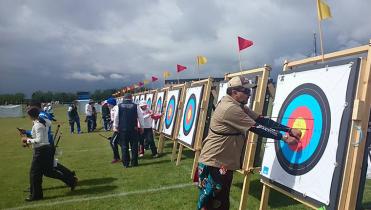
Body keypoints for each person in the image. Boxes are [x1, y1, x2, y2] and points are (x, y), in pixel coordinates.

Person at [197, 76, 302, 210]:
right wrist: (285, 138)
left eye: (249, 91)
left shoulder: (236, 104)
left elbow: (261, 120)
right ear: (234, 92)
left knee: (221, 203)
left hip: (221, 162)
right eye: (246, 91)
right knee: (212, 204)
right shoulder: (230, 108)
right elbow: (257, 127)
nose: (249, 94)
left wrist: (289, 129)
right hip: (214, 162)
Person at [20, 101, 78, 193]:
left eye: (30, 108)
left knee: (47, 168)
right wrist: (27, 134)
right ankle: (70, 178)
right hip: (45, 145)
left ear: (35, 108)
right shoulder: (42, 116)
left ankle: (70, 177)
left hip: (44, 146)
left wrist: (27, 139)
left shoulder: (41, 116)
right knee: (49, 169)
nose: (28, 110)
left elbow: (41, 133)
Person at [113, 93, 144, 168]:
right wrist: (142, 127)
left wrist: (115, 126)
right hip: (134, 129)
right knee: (134, 146)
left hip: (122, 129)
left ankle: (126, 163)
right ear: (131, 98)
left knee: (124, 146)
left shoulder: (118, 106)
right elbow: (140, 117)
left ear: (124, 98)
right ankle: (134, 163)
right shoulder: (136, 106)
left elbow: (116, 117)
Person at [107, 98, 121, 163]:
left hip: (118, 128)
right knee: (118, 142)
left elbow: (116, 117)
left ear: (111, 103)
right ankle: (118, 157)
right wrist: (111, 121)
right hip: (118, 127)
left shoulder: (116, 108)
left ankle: (117, 158)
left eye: (108, 103)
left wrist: (115, 126)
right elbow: (114, 118)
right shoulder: (113, 108)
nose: (107, 105)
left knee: (112, 142)